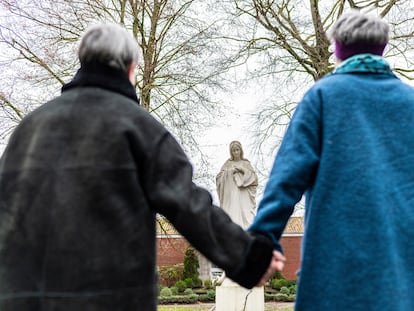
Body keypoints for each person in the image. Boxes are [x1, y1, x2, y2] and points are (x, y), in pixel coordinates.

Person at [0, 23, 285, 311]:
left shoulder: (28, 130)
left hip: (22, 297)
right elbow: (187, 203)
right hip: (110, 298)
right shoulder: (136, 126)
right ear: (131, 68)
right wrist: (249, 257)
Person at [248, 10, 414, 311]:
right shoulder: (410, 102)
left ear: (338, 48)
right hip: (402, 266)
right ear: (383, 47)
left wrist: (262, 238)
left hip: (335, 265)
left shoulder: (322, 97)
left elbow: (287, 177)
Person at [216, 141, 258, 229]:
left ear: (241, 150)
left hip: (244, 195)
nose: (236, 152)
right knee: (232, 216)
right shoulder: (228, 164)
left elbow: (254, 178)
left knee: (247, 217)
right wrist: (231, 172)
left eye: (237, 150)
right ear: (231, 152)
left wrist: (242, 170)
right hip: (232, 195)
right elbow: (219, 178)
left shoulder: (246, 163)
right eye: (233, 151)